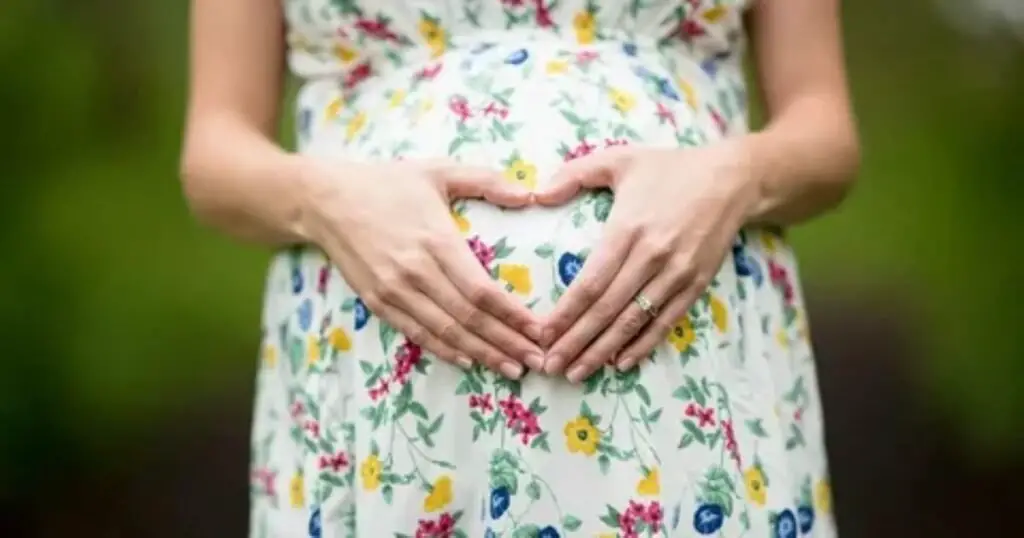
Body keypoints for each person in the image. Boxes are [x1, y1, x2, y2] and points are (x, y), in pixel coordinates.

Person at [181, 0, 858, 536]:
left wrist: (732, 176)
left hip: (690, 361)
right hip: (370, 385)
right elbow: (214, 151)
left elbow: (824, 129)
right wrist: (322, 200)